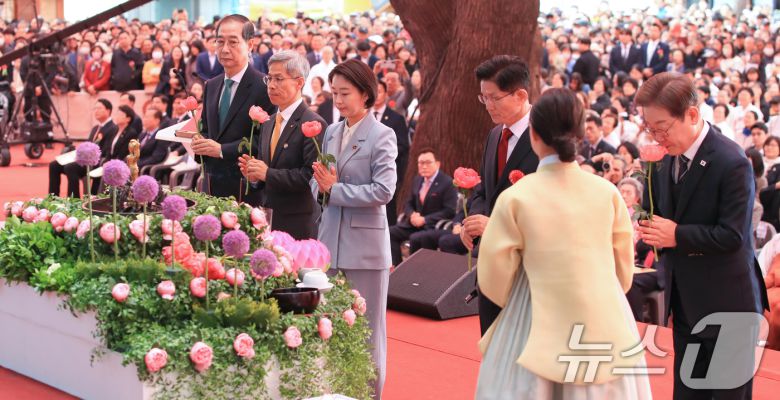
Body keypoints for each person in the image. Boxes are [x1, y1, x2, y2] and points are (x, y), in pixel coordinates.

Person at [475, 88, 651, 398]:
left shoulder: (517, 197)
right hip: (603, 320)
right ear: (581, 134)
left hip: (533, 317)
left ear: (534, 134)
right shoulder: (607, 193)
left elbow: (493, 278)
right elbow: (623, 272)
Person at [636, 72, 768, 399]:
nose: (656, 137)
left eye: (661, 127)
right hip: (686, 302)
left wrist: (677, 235)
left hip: (728, 304)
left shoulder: (731, 161)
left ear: (692, 115)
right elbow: (664, 213)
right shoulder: (666, 159)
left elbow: (733, 235)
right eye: (649, 128)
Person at [311, 59, 397, 399]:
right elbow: (317, 183)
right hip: (330, 243)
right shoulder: (331, 131)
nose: (339, 100)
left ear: (365, 94)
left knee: (367, 332)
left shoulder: (382, 134)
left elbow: (384, 191)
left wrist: (334, 189)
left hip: (366, 249)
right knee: (331, 325)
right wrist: (319, 186)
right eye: (334, 93)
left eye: (345, 93)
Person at [461, 55, 539, 335]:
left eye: (495, 98)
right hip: (491, 265)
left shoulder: (545, 138)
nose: (489, 106)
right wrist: (473, 222)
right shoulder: (496, 135)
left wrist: (493, 225)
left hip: (527, 272)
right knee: (492, 349)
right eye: (484, 98)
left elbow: (547, 209)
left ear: (520, 95)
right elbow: (485, 190)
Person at [239, 50, 325, 239]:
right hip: (268, 217)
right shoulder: (268, 121)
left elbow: (309, 178)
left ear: (299, 82)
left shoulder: (312, 123)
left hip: (296, 221)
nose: (271, 85)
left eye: (279, 79)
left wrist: (266, 173)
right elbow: (265, 171)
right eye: (269, 79)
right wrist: (253, 175)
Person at [192, 14, 274, 204]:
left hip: (244, 188)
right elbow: (207, 130)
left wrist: (222, 150)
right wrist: (200, 142)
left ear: (250, 44)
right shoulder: (212, 85)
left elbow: (264, 141)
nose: (225, 49)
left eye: (233, 42)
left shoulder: (264, 87)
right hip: (211, 186)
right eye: (220, 42)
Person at [389, 148, 457, 265]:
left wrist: (425, 219)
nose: (424, 166)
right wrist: (412, 214)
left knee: (416, 237)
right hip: (414, 224)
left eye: (428, 162)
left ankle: (415, 269)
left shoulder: (447, 183)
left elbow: (449, 211)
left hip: (433, 225)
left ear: (437, 164)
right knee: (391, 232)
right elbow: (408, 203)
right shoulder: (418, 180)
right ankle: (398, 266)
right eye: (421, 163)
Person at [48, 99, 117, 197]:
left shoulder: (113, 128)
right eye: (95, 108)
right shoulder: (95, 128)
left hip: (97, 162)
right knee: (54, 165)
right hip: (84, 160)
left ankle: (73, 199)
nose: (96, 111)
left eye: (99, 108)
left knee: (70, 168)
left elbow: (106, 151)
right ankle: (53, 198)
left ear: (108, 110)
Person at [373, 80, 410, 227]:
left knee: (387, 214)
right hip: (363, 173)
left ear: (386, 94)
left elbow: (403, 146)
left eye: (379, 91)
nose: (376, 95)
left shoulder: (396, 118)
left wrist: (381, 153)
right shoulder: (360, 117)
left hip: (386, 172)